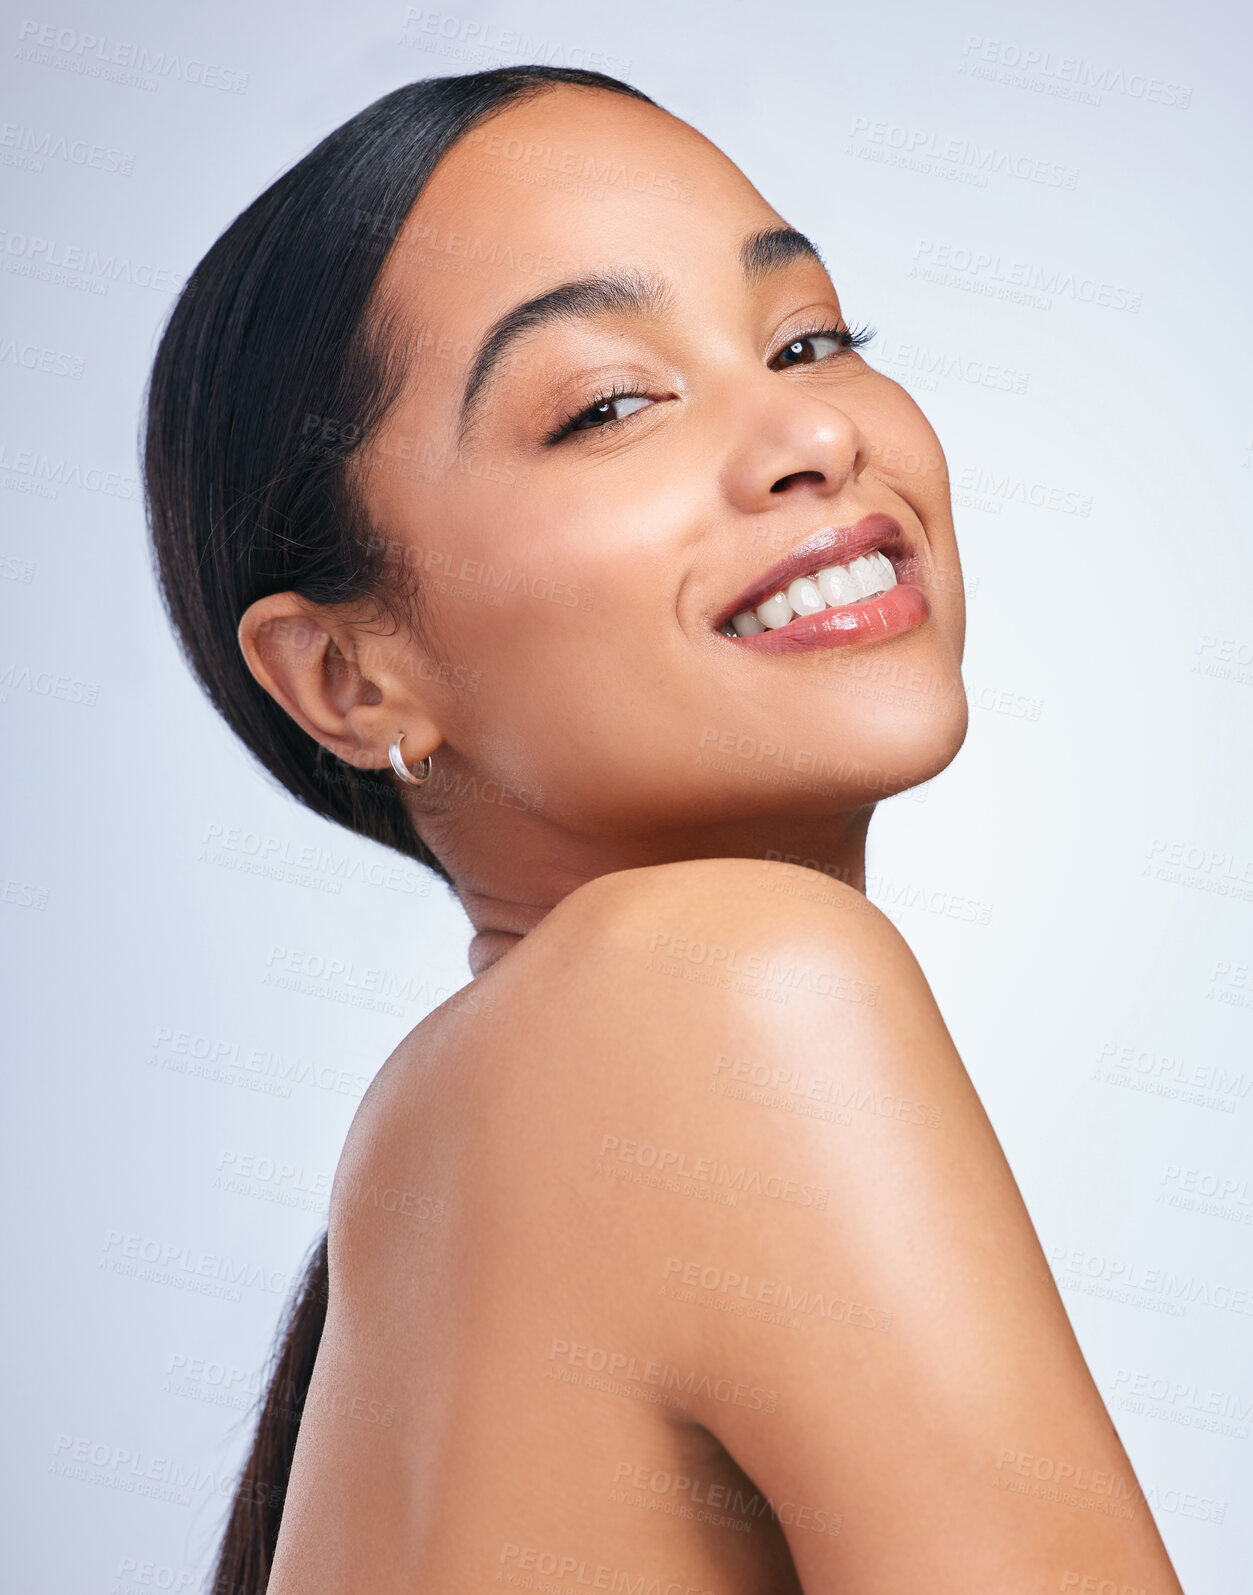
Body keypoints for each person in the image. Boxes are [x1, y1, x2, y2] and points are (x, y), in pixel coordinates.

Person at [144, 64, 1185, 1595]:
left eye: (808, 338)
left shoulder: (467, 1135)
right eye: (606, 404)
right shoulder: (710, 989)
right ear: (351, 678)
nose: (808, 434)